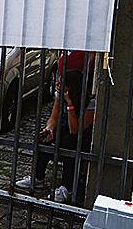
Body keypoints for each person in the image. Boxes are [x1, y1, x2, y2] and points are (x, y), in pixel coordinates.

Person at [15, 70, 95, 203]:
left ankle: (67, 188)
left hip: (79, 137)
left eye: (61, 83)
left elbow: (75, 129)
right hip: (63, 129)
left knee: (70, 143)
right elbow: (53, 117)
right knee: (44, 138)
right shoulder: (60, 96)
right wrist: (49, 129)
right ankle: (37, 178)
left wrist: (69, 104)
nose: (57, 84)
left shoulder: (90, 103)